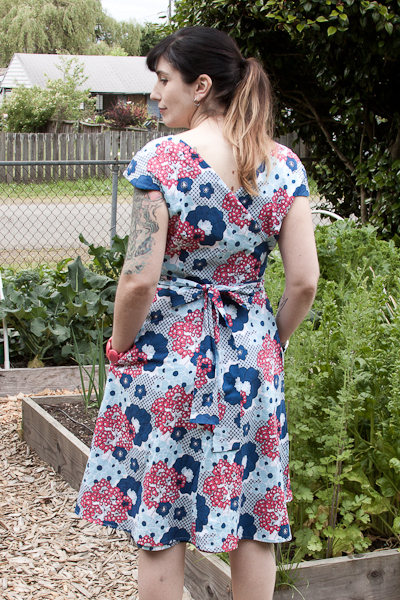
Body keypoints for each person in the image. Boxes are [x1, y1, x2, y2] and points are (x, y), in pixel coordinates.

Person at [75, 26, 319, 600]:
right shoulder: (283, 165)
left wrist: (118, 347)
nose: (155, 94)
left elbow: (138, 279)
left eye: (164, 81)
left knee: (161, 521)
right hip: (251, 361)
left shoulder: (161, 160)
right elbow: (304, 281)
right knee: (255, 517)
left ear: (201, 85)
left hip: (167, 358)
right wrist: (270, 344)